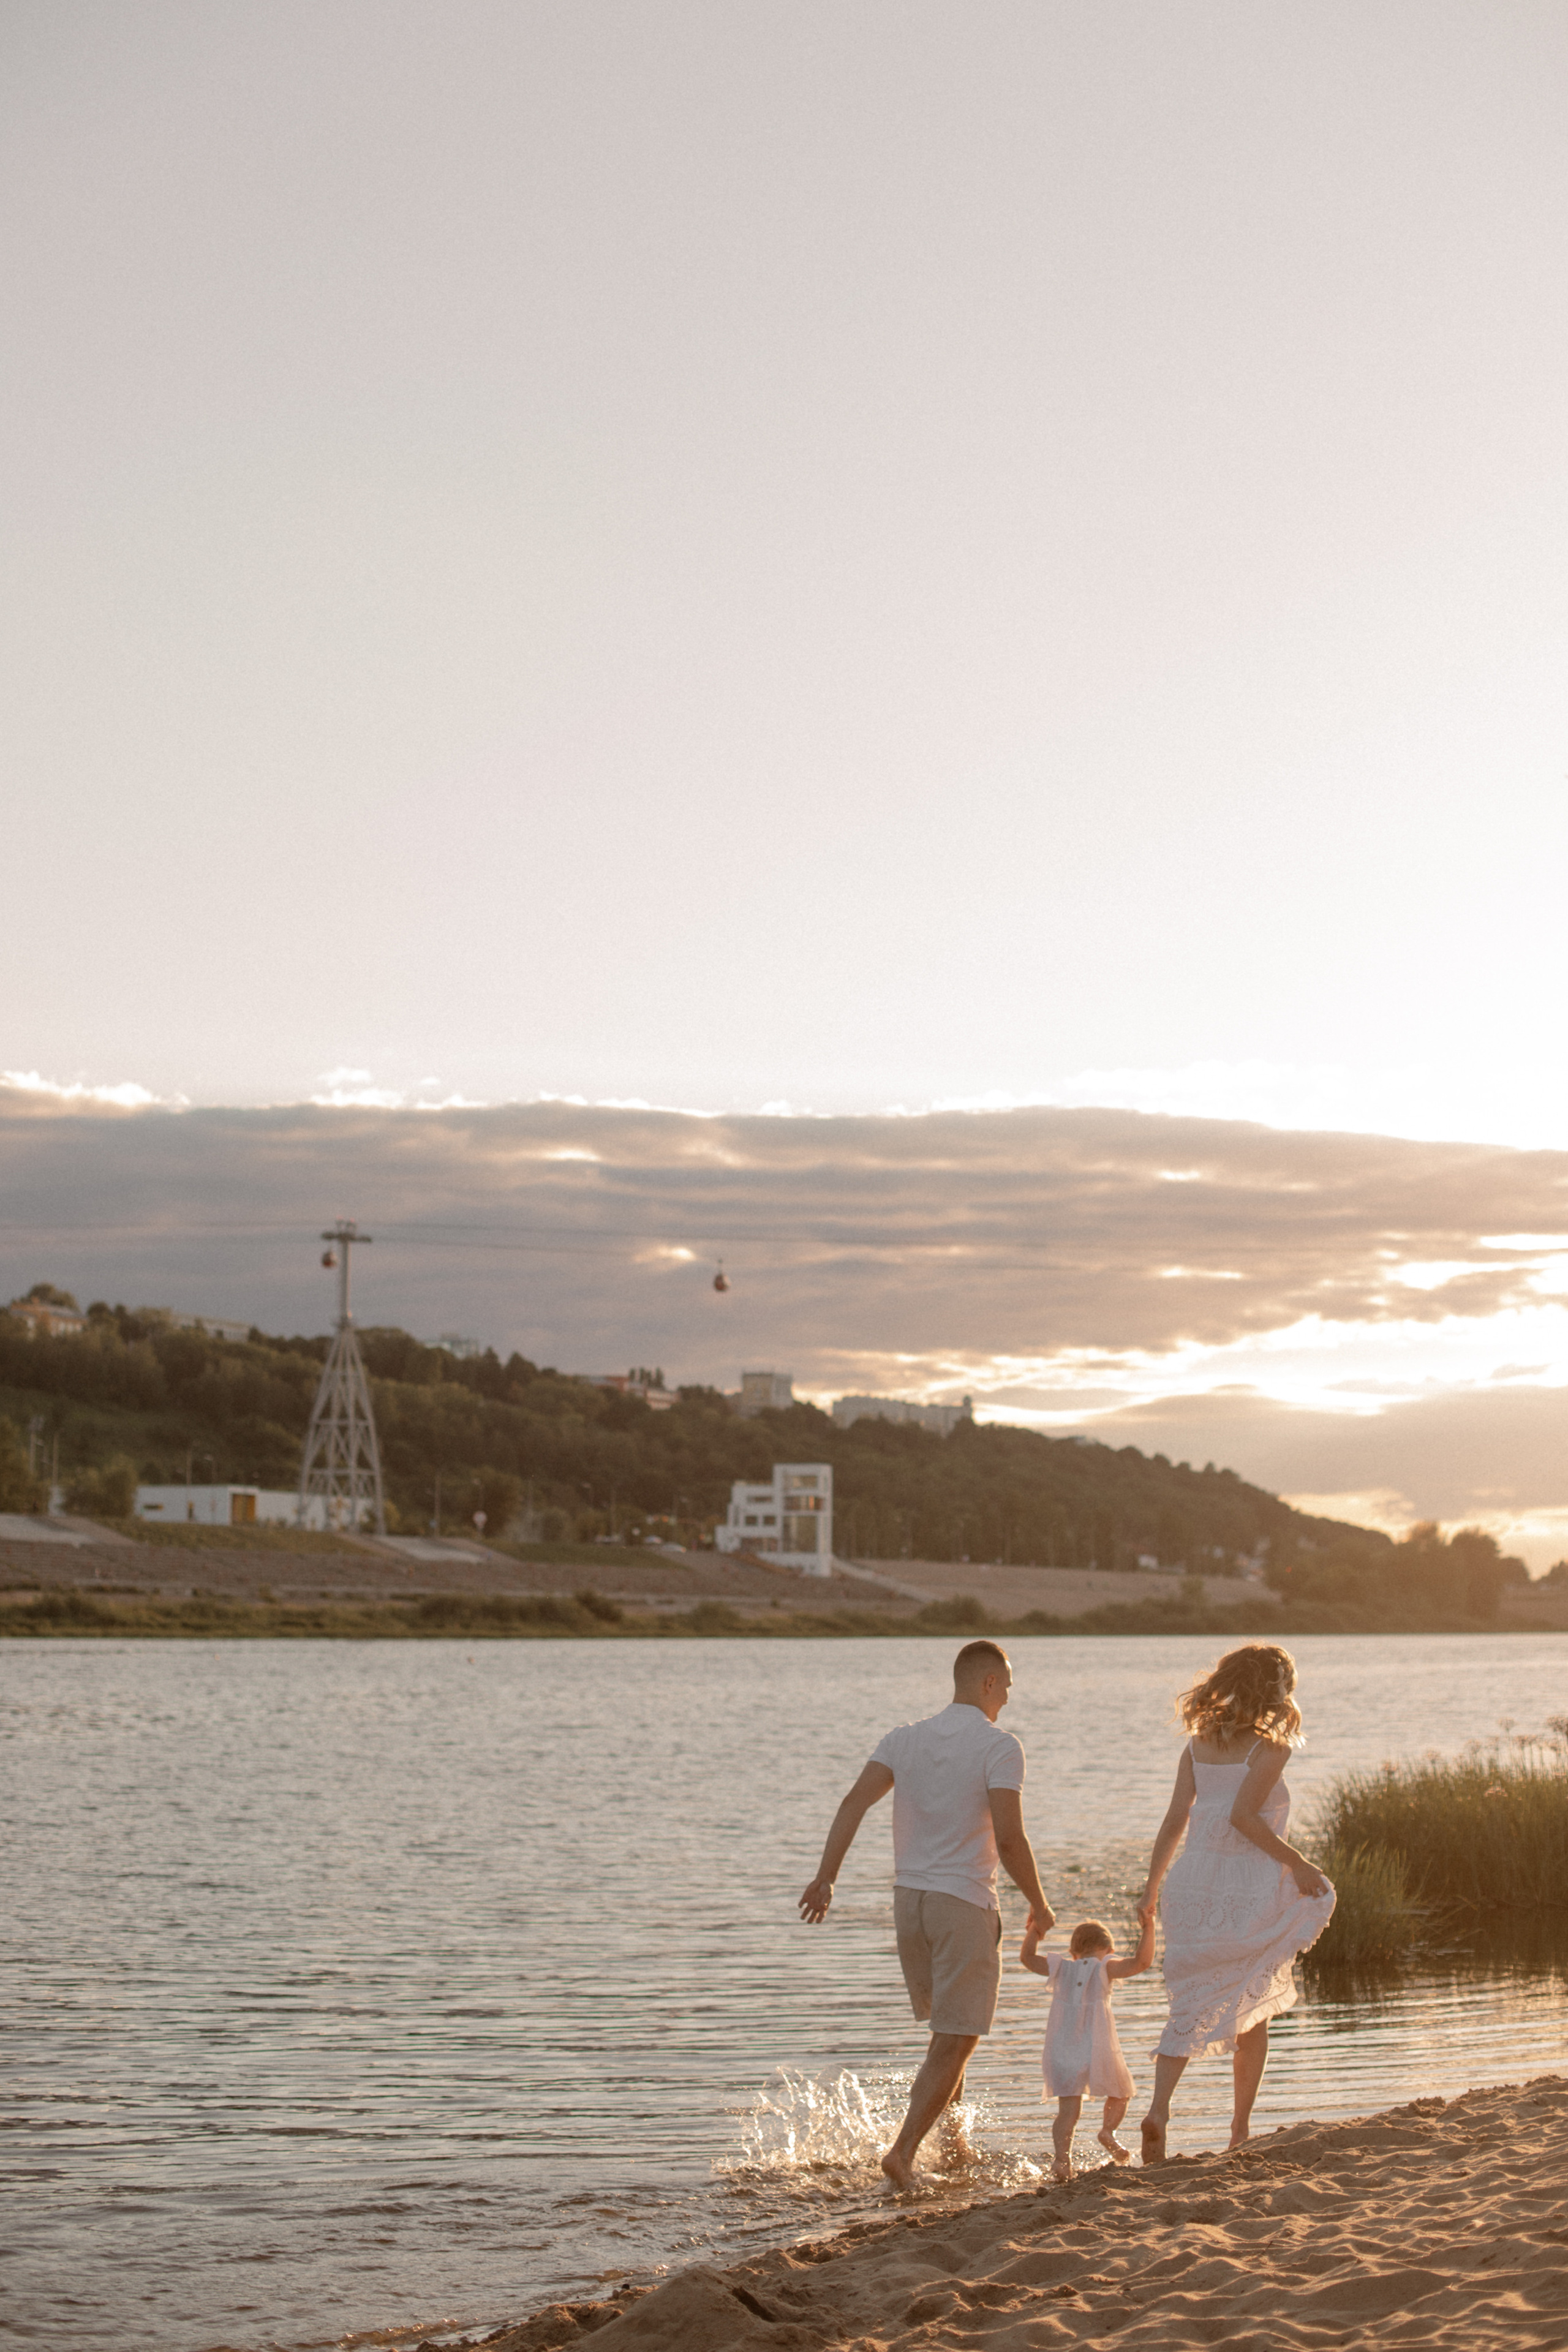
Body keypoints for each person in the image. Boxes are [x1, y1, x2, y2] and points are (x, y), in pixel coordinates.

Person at [798, 1639, 1054, 2189]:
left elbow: (852, 1804)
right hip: (961, 1904)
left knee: (947, 2033)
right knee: (958, 2038)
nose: (1008, 1697)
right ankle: (903, 2154)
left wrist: (826, 1878)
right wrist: (1039, 1902)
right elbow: (1010, 1840)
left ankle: (955, 2146)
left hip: (909, 1904)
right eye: (1006, 1685)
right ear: (987, 1683)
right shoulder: (1001, 1746)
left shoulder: (903, 1739)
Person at [1137, 1643, 1335, 2164]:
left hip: (1193, 1882)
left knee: (1188, 2003)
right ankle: (1239, 2131)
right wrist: (1298, 1863)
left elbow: (1175, 1819)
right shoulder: (1271, 1748)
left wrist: (1152, 1888)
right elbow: (1243, 1818)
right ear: (1276, 1689)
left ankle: (1159, 2110)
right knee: (1253, 2010)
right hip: (1245, 1886)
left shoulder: (1198, 1743)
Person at [1019, 1908, 1155, 2180]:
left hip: (1062, 2048)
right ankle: (1108, 2132)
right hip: (1098, 2047)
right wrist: (1149, 1927)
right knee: (1120, 2092)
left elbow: (1027, 1958)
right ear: (1109, 1949)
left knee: (1068, 2111)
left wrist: (1034, 1930)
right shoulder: (1106, 1967)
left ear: (1073, 1953)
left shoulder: (1061, 1967)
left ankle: (1061, 2161)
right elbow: (1142, 1962)